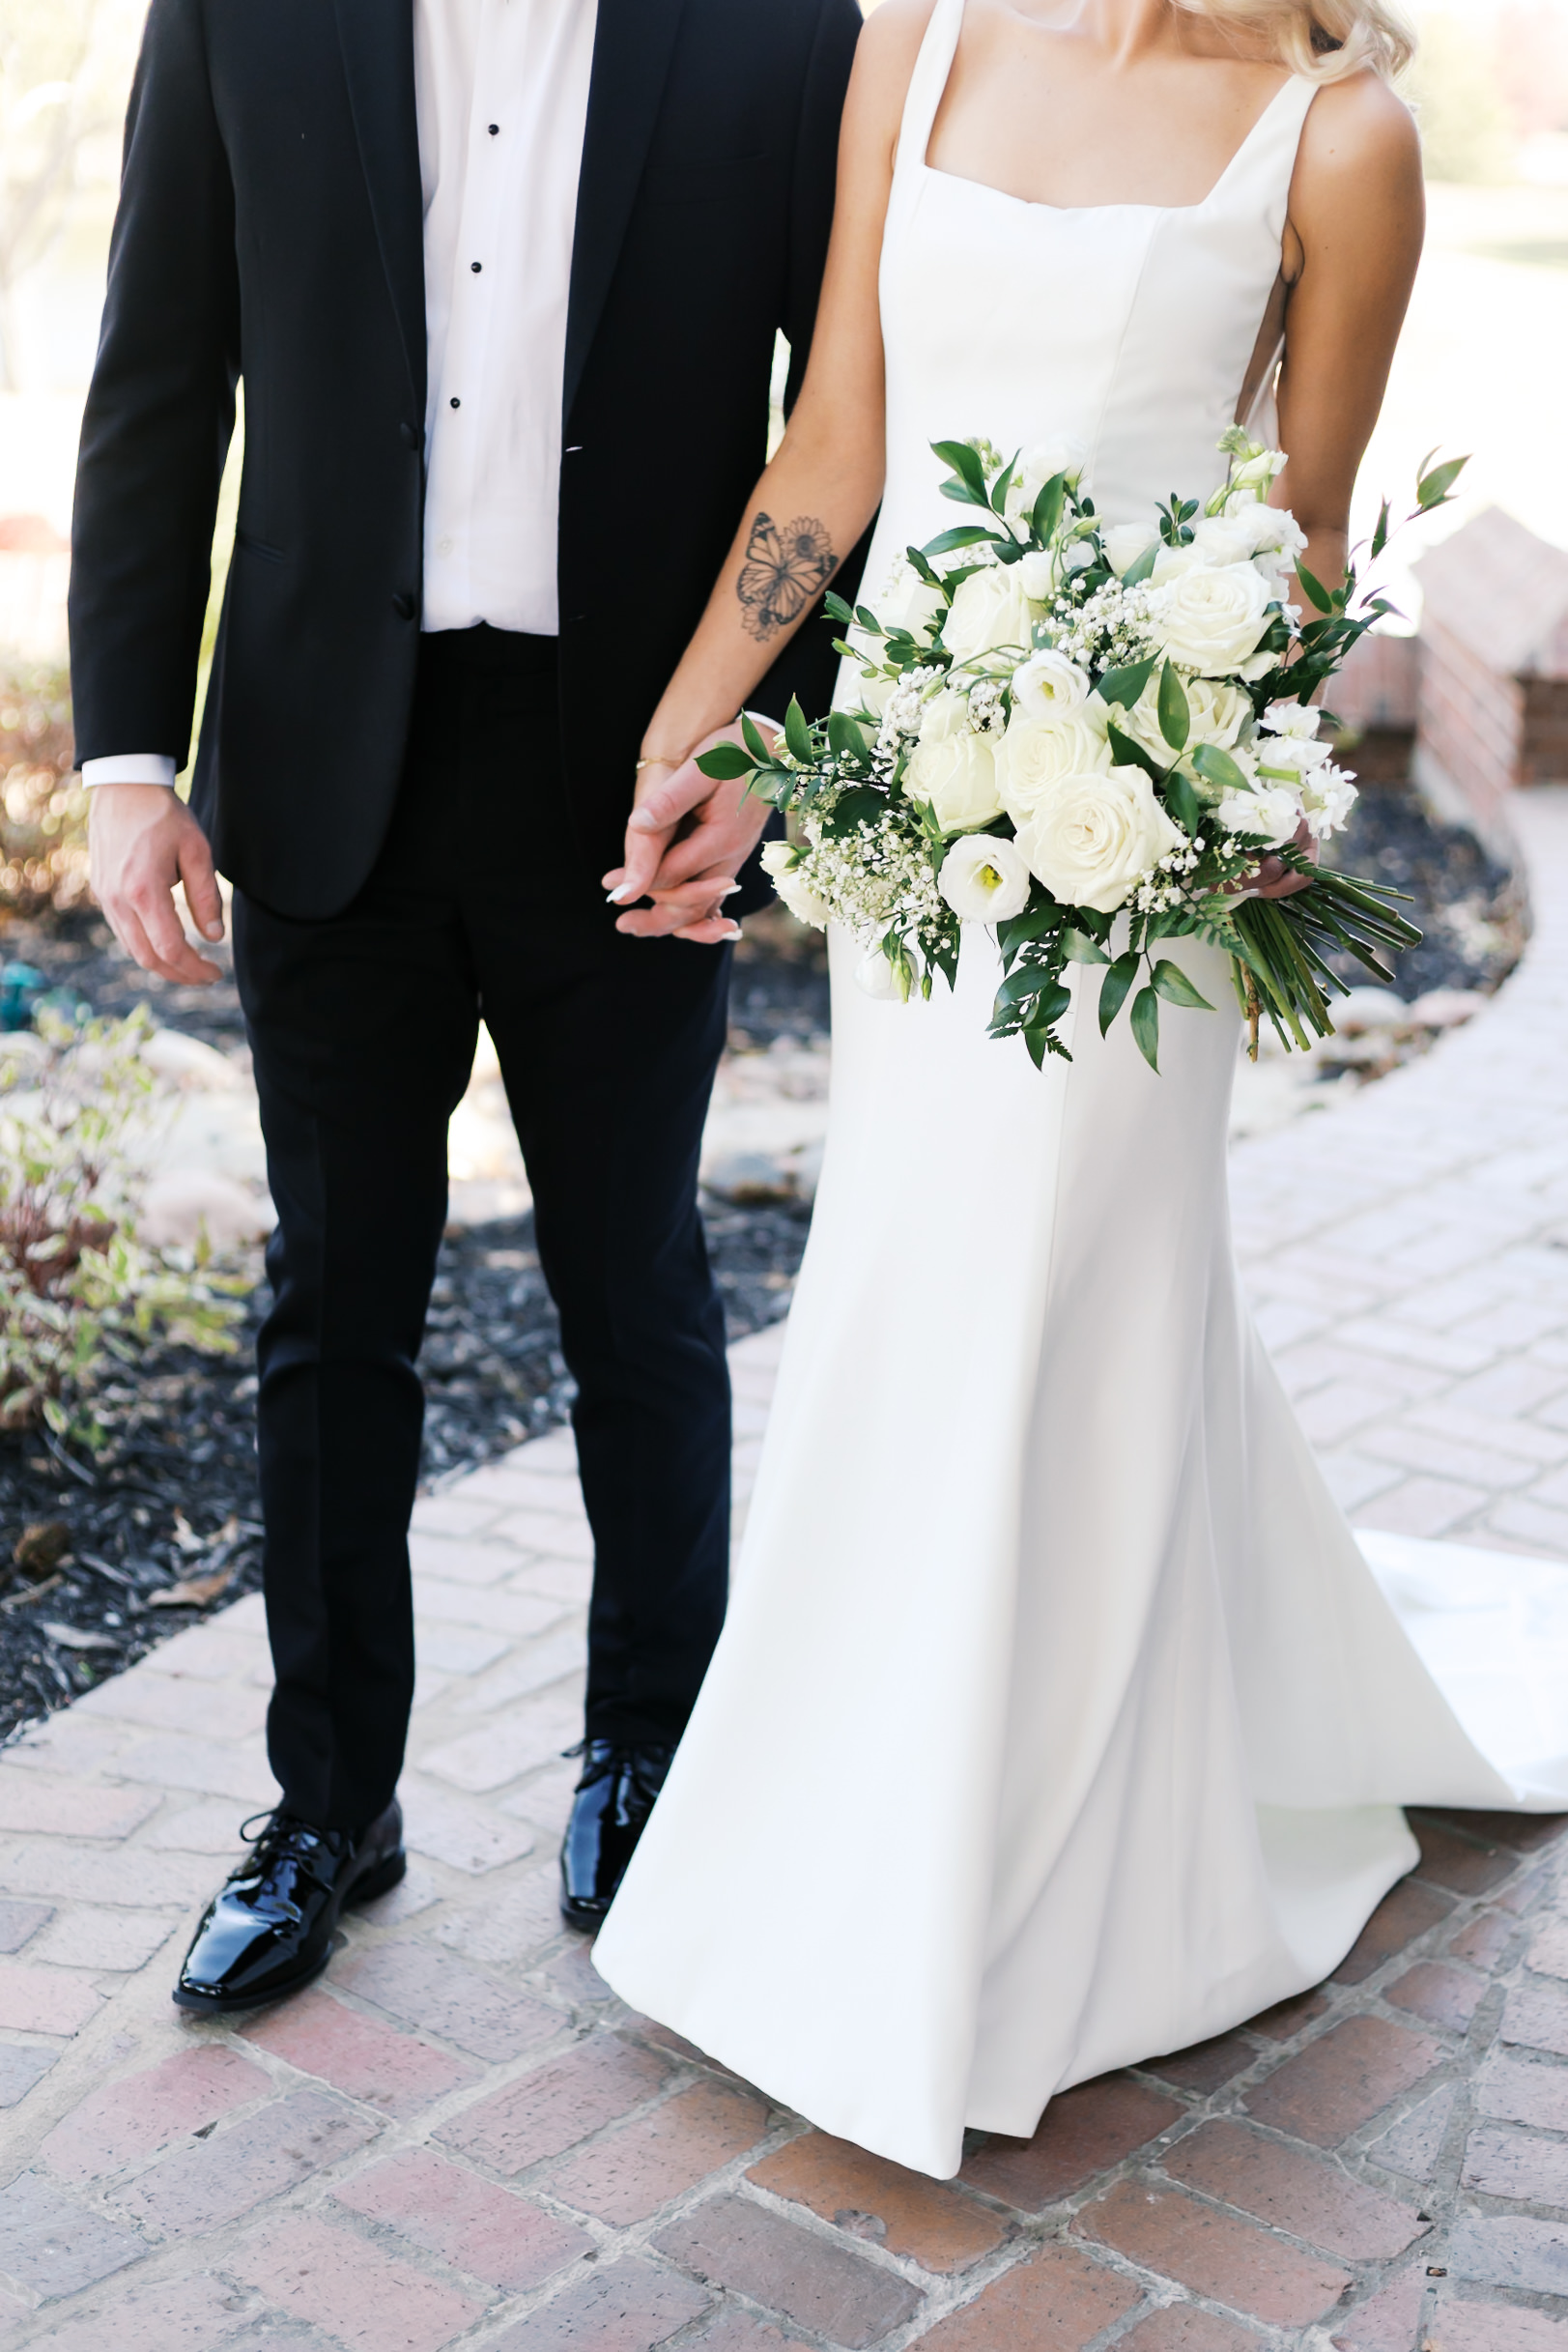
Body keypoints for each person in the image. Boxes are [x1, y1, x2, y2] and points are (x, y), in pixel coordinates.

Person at [591, 0, 1568, 2178]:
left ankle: (1032, 1907)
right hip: (909, 824)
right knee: (904, 1299)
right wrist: (702, 746)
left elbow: (1294, 545)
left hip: (1136, 863)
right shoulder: (915, 45)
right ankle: (857, 1819)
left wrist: (1203, 784)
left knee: (1063, 1310)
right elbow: (831, 447)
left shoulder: (1338, 139)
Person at [69, 0, 865, 2012]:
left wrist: (776, 749)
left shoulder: (779, 30)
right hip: (331, 761)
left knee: (634, 1287)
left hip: (631, 771)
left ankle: (647, 1750)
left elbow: (851, 421)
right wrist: (126, 760)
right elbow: (158, 377)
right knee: (336, 1302)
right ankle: (326, 1801)